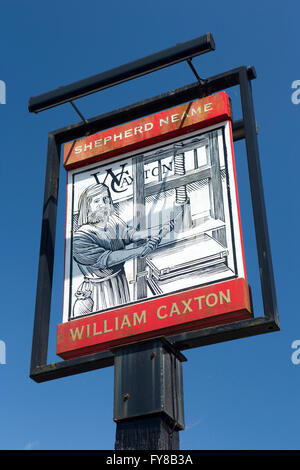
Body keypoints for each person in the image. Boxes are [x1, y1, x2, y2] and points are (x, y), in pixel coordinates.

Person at [72, 183, 163, 317]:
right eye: (96, 201)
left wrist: (156, 231)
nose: (102, 204)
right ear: (87, 206)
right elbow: (107, 259)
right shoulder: (80, 237)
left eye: (106, 199)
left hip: (120, 282)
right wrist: (140, 250)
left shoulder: (113, 221)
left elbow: (129, 234)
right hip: (98, 290)